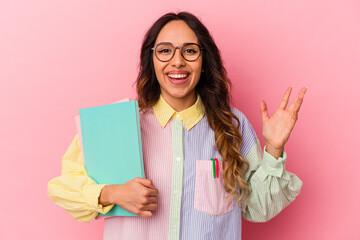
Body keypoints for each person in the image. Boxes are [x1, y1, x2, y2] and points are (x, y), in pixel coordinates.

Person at [48, 11, 307, 240]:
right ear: (152, 60)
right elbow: (62, 187)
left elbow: (258, 208)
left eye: (190, 50)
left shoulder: (233, 125)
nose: (177, 61)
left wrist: (273, 149)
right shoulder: (116, 123)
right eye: (165, 50)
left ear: (204, 61)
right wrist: (111, 194)